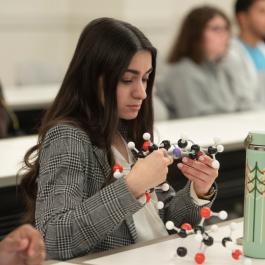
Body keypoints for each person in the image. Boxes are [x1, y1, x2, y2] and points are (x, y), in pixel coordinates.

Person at [19, 18, 219, 261]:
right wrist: (131, 186)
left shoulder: (129, 131)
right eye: (127, 79)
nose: (142, 93)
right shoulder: (68, 137)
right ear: (94, 78)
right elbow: (53, 240)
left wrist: (199, 190)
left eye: (145, 78)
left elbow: (164, 221)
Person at [156, 6, 239, 119]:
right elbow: (196, 118)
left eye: (226, 28)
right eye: (216, 29)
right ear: (196, 33)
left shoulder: (221, 67)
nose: (224, 35)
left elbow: (236, 106)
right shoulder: (182, 71)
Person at [225, 0, 265, 110]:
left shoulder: (262, 49)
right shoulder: (230, 54)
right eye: (262, 11)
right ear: (243, 18)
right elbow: (244, 102)